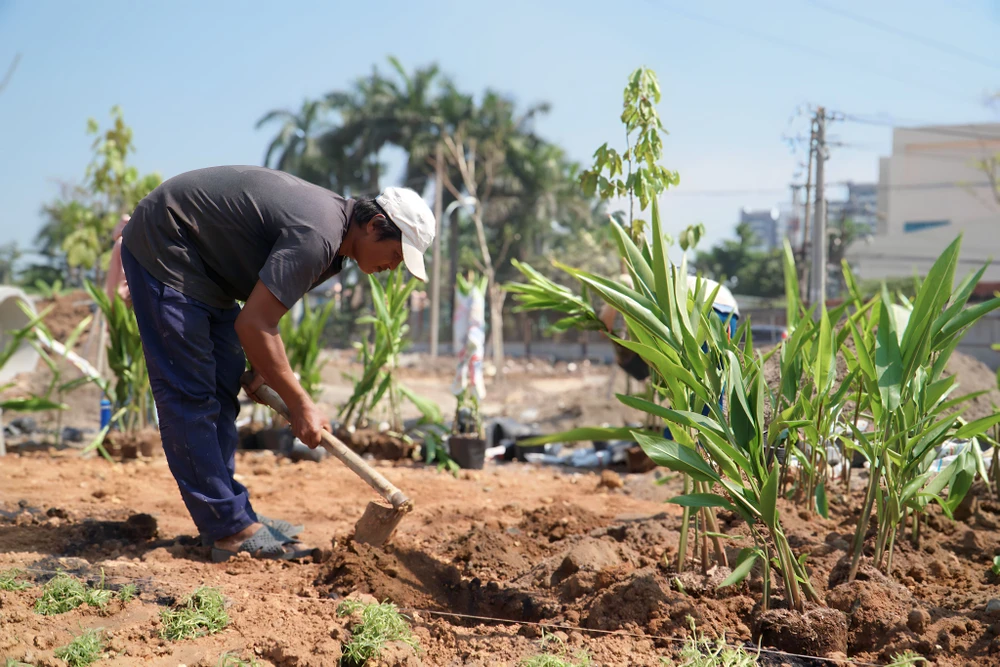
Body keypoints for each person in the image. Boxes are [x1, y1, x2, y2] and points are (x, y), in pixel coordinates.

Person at [120, 166, 434, 561]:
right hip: (169, 246)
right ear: (374, 225)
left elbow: (256, 315)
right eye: (395, 255)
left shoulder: (333, 241)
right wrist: (300, 402)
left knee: (221, 385)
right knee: (191, 397)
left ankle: (232, 511)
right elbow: (256, 323)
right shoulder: (318, 235)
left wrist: (260, 368)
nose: (392, 268)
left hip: (205, 268)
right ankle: (228, 527)